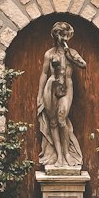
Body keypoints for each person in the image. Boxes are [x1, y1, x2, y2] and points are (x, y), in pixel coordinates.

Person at [37, 21, 86, 171]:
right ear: (56, 36)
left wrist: (68, 52)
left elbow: (83, 64)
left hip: (67, 86)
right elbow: (44, 74)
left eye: (66, 36)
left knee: (61, 118)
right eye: (61, 35)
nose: (64, 38)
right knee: (53, 122)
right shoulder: (49, 54)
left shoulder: (72, 52)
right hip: (51, 87)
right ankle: (58, 156)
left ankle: (67, 154)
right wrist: (39, 95)